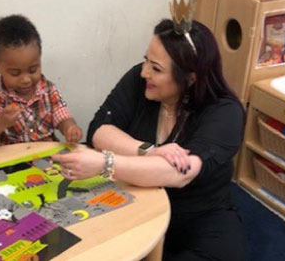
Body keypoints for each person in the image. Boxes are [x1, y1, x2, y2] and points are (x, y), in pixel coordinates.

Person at [52, 18, 246, 261]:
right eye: (146, 60)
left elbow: (181, 171)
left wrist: (105, 163)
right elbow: (100, 129)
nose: (144, 72)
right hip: (136, 198)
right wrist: (147, 151)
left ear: (190, 78)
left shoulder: (225, 112)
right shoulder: (140, 79)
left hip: (198, 214)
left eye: (156, 68)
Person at [0, 15, 82, 146]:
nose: (26, 80)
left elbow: (61, 115)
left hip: (47, 153)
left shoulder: (48, 89)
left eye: (33, 70)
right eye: (15, 73)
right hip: (13, 159)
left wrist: (70, 128)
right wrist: (1, 122)